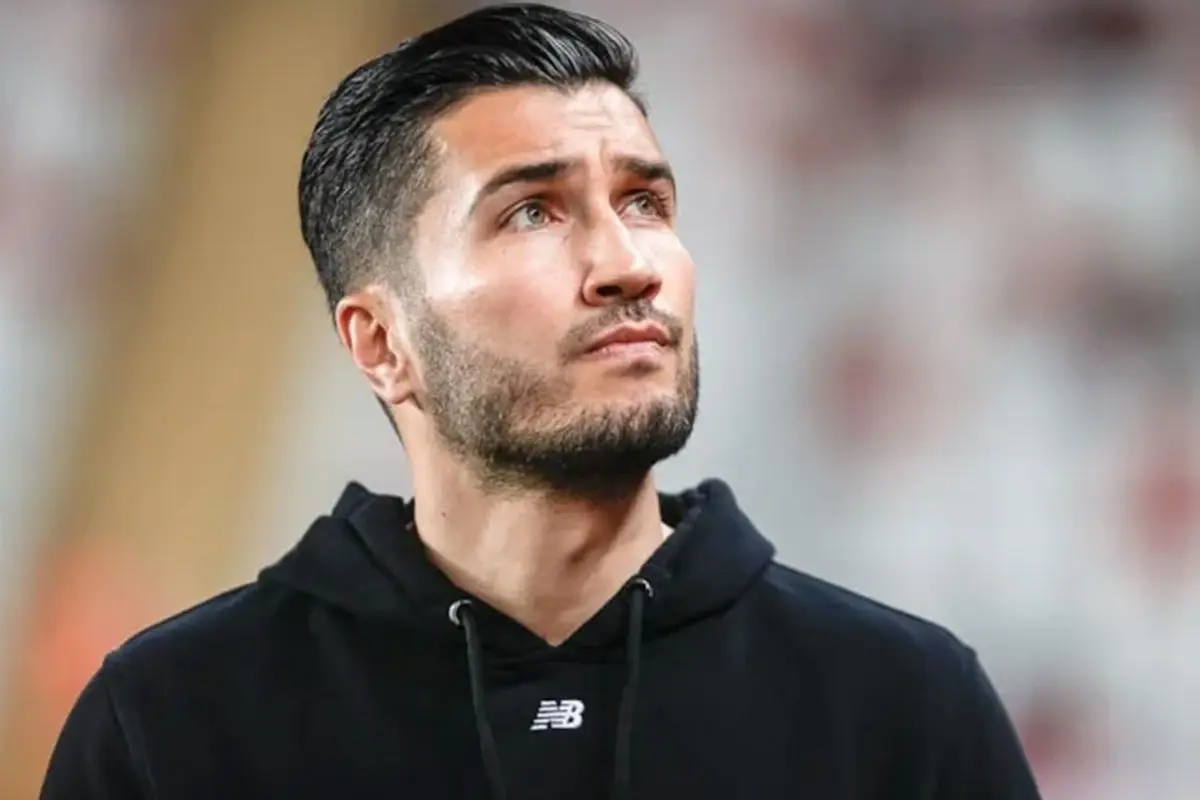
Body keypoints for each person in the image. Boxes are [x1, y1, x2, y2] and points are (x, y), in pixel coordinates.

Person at [41, 4, 1042, 799]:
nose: (628, 262)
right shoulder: (175, 719)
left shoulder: (905, 707)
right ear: (381, 342)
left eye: (644, 201)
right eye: (533, 211)